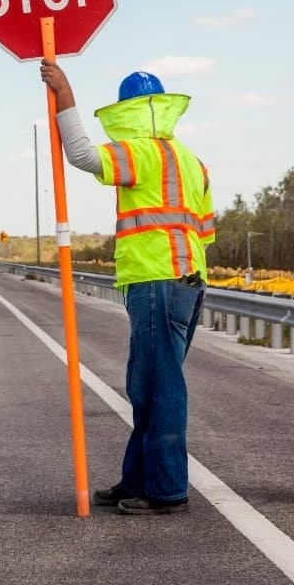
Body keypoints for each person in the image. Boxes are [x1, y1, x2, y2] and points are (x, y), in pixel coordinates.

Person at [41, 59, 215, 516]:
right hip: (187, 281)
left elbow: (81, 154)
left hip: (156, 281)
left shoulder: (140, 152)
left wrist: (64, 94)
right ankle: (137, 480)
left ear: (130, 111)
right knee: (147, 386)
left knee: (160, 389)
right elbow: (206, 230)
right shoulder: (192, 161)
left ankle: (166, 490)